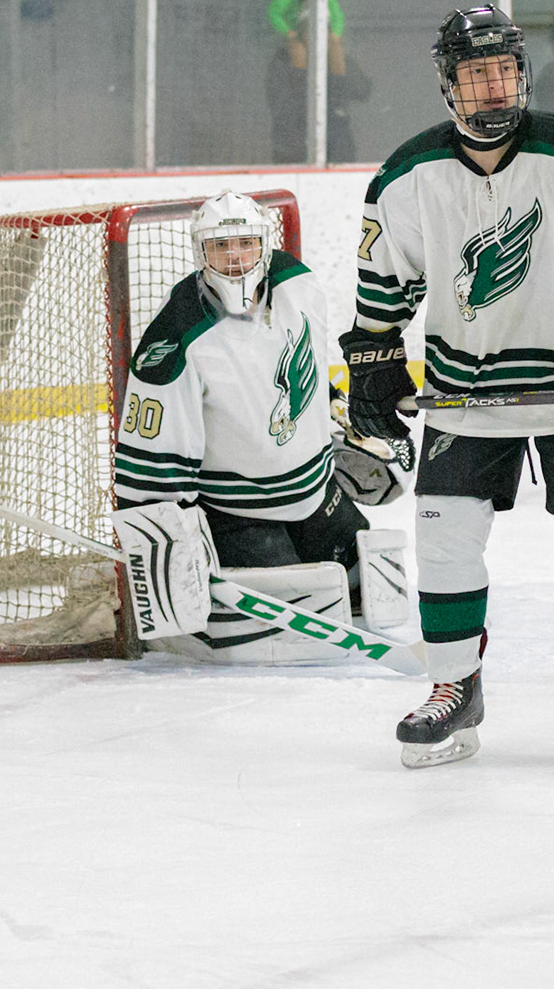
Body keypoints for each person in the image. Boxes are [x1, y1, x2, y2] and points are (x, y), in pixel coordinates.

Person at [340, 5, 554, 773]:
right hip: (465, 391)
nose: (493, 86)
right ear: (449, 84)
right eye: (476, 72)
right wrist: (375, 359)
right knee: (444, 539)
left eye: (505, 70)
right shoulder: (407, 174)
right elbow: (384, 284)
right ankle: (455, 688)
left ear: (524, 74)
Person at [112, 191, 407, 658]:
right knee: (298, 632)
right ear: (200, 252)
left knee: (369, 591)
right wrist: (168, 547)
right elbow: (149, 467)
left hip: (314, 493)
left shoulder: (298, 283)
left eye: (245, 243)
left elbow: (303, 358)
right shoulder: (175, 338)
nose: (235, 257)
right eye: (220, 246)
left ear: (264, 245)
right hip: (237, 513)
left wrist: (336, 414)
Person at [265, 0, 351, 163]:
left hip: (323, 39)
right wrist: (288, 32)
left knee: (336, 49)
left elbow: (337, 16)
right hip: (297, 36)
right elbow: (274, 13)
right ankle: (301, 93)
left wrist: (336, 34)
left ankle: (338, 96)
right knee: (299, 53)